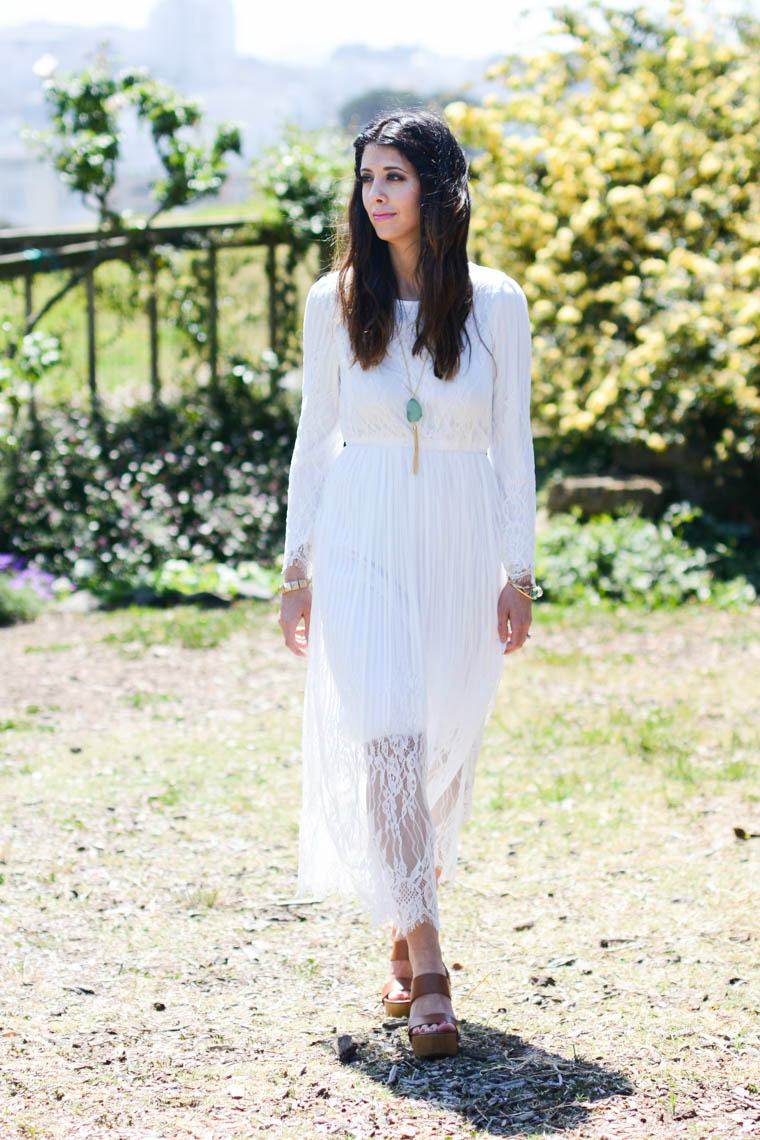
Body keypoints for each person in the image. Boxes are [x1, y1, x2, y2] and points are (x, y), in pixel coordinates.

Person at [278, 108, 540, 1059]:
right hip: (363, 530)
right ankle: (429, 962)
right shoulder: (332, 299)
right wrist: (296, 568)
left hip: (462, 536)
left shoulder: (496, 300)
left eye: (394, 176)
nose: (376, 195)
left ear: (437, 188)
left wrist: (521, 571)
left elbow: (513, 441)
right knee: (387, 732)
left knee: (442, 747)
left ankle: (401, 906)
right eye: (368, 179)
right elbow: (314, 438)